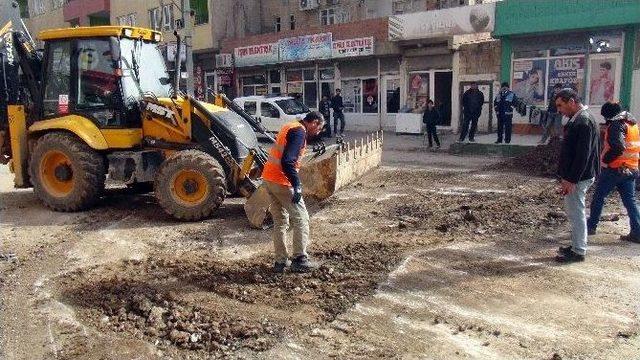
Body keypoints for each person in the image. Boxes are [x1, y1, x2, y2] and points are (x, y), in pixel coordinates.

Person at [262, 111, 325, 273]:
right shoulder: (299, 132)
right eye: (319, 128)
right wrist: (297, 185)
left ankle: (280, 262)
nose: (318, 132)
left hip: (269, 179)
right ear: (314, 122)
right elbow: (288, 161)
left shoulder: (290, 126)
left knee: (281, 222)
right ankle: (299, 259)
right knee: (302, 218)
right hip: (282, 181)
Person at [555, 88, 600, 263]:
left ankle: (578, 250)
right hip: (578, 176)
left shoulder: (583, 121)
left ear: (571, 102)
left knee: (576, 213)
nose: (559, 110)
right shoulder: (580, 119)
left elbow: (583, 154)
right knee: (574, 212)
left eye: (561, 105)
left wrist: (571, 179)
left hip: (578, 178)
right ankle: (575, 244)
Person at [586, 108, 640, 244]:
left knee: (599, 197)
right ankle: (637, 232)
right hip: (631, 168)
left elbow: (617, 147)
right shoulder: (632, 124)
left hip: (616, 168)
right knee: (630, 201)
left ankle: (591, 226)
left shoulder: (617, 125)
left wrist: (606, 161)